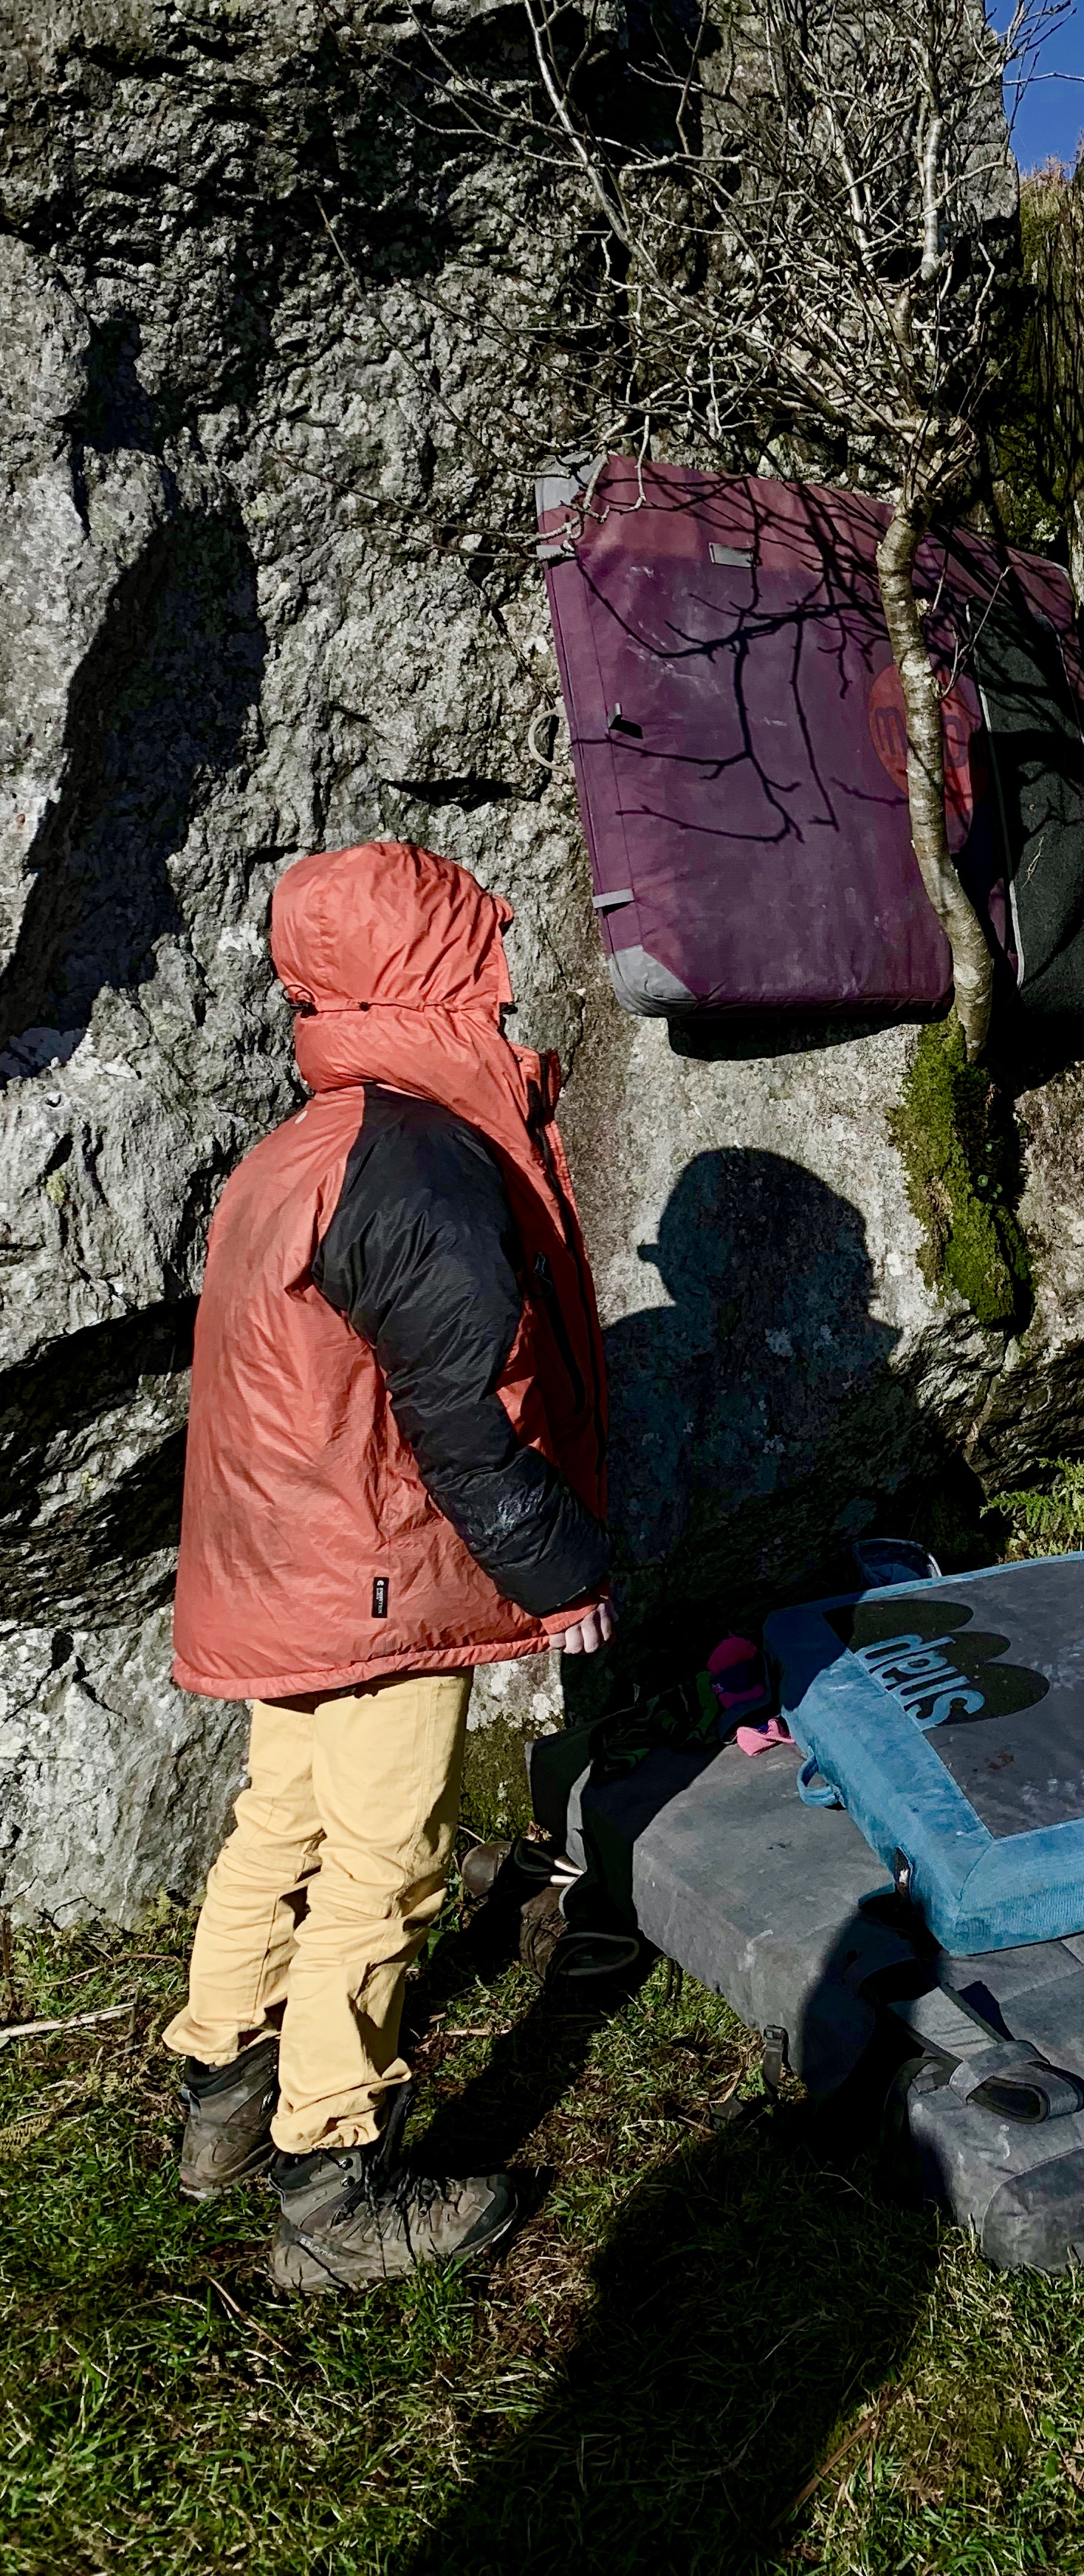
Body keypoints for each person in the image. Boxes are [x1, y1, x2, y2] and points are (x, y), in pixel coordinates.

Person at [162, 841, 616, 2295]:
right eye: (482, 960)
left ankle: (216, 2087)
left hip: (281, 1560)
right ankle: (332, 2181)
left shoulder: (299, 1150)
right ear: (438, 975)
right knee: (384, 1866)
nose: (503, 988)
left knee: (277, 1822)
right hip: (378, 1586)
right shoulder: (417, 1159)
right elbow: (465, 1419)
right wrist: (560, 1573)